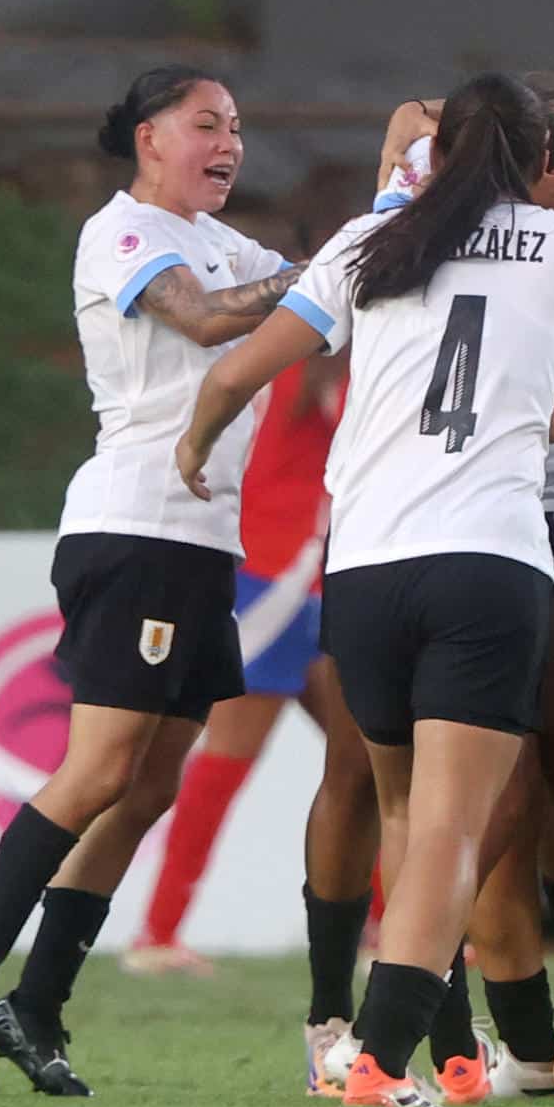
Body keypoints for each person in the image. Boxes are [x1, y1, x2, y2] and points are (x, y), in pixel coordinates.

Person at [177, 72, 554, 1107]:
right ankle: (380, 1057)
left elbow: (232, 375)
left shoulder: (372, 241)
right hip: (488, 562)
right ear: (540, 159)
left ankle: (407, 1047)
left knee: (400, 810)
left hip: (360, 570)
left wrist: (192, 447)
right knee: (462, 821)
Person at [0, 65, 302, 1097]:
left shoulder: (235, 245)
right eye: (207, 122)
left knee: (153, 781)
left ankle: (33, 1004)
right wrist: (330, 269)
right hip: (137, 525)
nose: (231, 141)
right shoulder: (123, 233)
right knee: (94, 773)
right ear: (148, 137)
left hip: (203, 540)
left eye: (238, 126)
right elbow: (215, 321)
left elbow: (305, 297)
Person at [123, 352, 348, 982]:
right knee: (227, 758)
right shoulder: (310, 360)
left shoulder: (299, 359)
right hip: (277, 578)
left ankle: (385, 929)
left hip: (315, 581)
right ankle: (157, 932)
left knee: (372, 759)